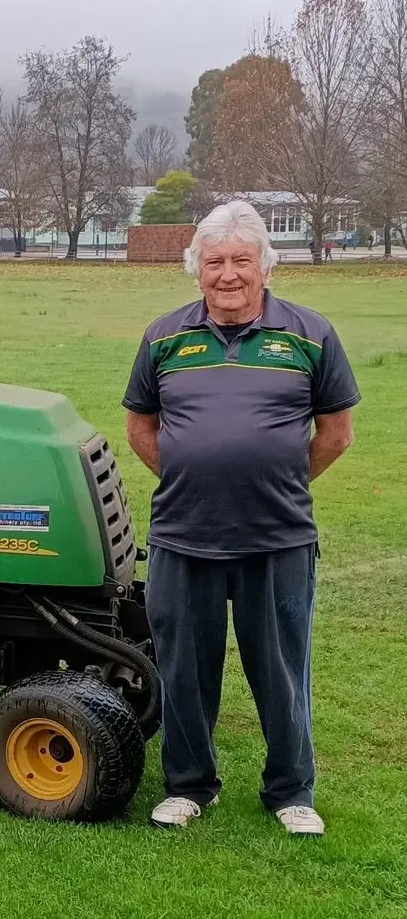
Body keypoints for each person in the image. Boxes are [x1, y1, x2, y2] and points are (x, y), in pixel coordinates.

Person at [122, 200, 358, 836]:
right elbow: (140, 427)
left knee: (281, 665)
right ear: (196, 269)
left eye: (240, 261)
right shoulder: (164, 336)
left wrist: (277, 482)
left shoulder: (310, 335)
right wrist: (187, 478)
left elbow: (336, 433)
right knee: (183, 666)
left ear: (265, 267)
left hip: (277, 536)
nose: (227, 274)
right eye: (214, 261)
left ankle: (290, 790)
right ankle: (189, 786)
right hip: (183, 533)